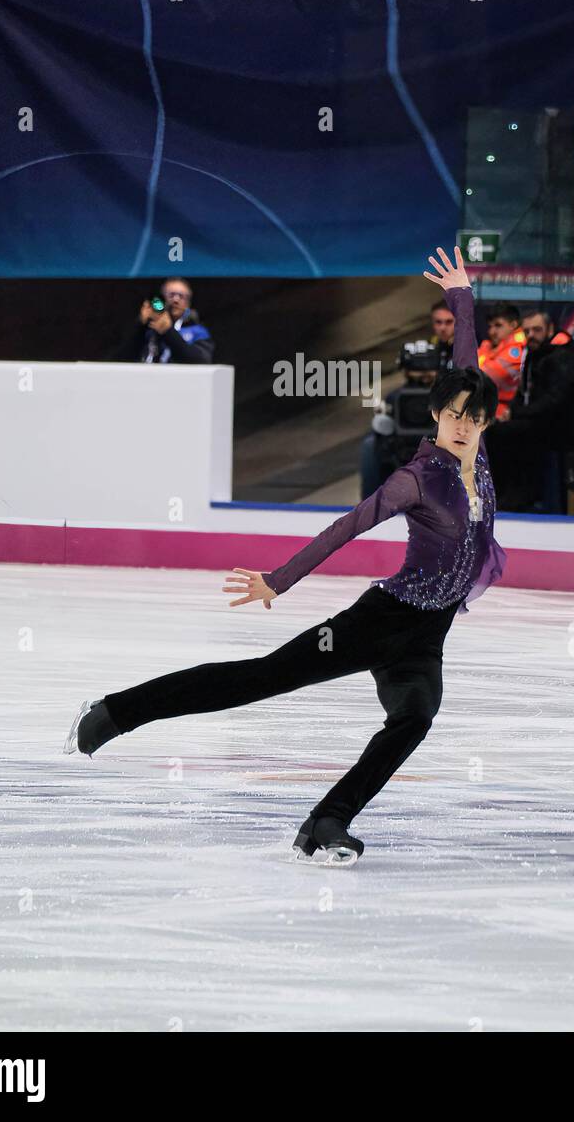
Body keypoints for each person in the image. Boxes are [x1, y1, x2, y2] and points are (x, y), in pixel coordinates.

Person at [65, 246, 506, 867]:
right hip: (379, 621)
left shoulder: (477, 456)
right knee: (259, 679)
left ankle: (327, 823)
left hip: (426, 636)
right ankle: (115, 712)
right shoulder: (416, 478)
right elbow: (347, 526)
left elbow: (467, 365)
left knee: (414, 718)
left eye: (473, 418)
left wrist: (462, 297)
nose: (462, 425)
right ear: (436, 415)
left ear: (485, 422)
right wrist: (279, 580)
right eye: (453, 415)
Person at [485, 307, 574, 512]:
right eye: (527, 331)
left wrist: (517, 413)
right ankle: (502, 492)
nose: (531, 336)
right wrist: (510, 411)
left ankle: (519, 494)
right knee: (495, 430)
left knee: (504, 435)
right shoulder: (532, 354)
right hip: (536, 418)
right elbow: (522, 393)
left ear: (549, 329)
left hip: (559, 426)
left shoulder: (561, 355)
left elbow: (554, 401)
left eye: (536, 330)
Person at [359, 340, 440, 496]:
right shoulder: (394, 398)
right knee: (370, 445)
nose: (424, 373)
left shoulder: (448, 396)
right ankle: (370, 503)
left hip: (440, 445)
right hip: (402, 445)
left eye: (429, 367)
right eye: (417, 368)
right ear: (405, 371)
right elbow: (384, 427)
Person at [111, 277, 214, 364]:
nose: (176, 300)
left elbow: (201, 361)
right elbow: (120, 358)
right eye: (171, 295)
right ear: (161, 299)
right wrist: (140, 326)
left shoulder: (198, 330)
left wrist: (168, 332)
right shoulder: (149, 328)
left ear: (188, 303)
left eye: (181, 296)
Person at [477, 302, 525, 421]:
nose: (491, 332)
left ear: (513, 325)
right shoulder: (495, 347)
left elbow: (480, 375)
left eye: (498, 325)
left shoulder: (518, 349)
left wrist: (484, 350)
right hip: (494, 411)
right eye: (490, 326)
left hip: (508, 415)